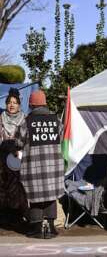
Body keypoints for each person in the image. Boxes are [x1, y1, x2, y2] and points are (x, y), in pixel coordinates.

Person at [16, 90, 64, 239]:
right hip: (53, 166)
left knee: (35, 196)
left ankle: (36, 228)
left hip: (33, 167)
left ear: (31, 104)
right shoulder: (56, 121)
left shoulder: (26, 122)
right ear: (45, 103)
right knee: (51, 195)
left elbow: (18, 143)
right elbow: (62, 139)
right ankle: (50, 229)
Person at [0, 88, 28, 221]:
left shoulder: (25, 119)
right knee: (3, 186)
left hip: (18, 157)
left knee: (18, 187)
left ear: (19, 105)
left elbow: (27, 140)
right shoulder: (1, 118)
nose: (12, 105)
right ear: (6, 104)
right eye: (9, 102)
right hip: (3, 157)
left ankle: (18, 215)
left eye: (15, 102)